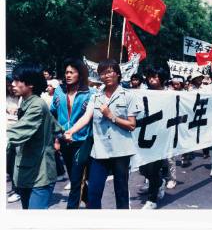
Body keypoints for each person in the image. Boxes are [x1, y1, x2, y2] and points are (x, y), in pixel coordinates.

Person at [64, 60, 141, 209]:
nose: (106, 75)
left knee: (121, 192)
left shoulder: (128, 96)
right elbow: (86, 118)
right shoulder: (96, 96)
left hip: (121, 151)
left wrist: (111, 116)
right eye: (102, 73)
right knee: (93, 193)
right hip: (99, 151)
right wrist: (71, 130)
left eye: (109, 72)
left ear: (118, 74)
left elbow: (132, 125)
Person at [7, 63, 63, 209]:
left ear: (30, 84)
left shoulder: (37, 105)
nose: (12, 84)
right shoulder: (27, 103)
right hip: (27, 173)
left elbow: (20, 131)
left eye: (17, 80)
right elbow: (55, 125)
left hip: (40, 175)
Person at [50, 58, 94, 209]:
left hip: (82, 141)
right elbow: (53, 115)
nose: (68, 75)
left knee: (75, 181)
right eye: (66, 72)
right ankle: (91, 203)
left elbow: (91, 119)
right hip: (64, 140)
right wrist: (56, 138)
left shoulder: (90, 93)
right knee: (75, 177)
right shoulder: (59, 91)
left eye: (72, 72)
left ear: (80, 74)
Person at [140, 67, 168, 209]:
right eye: (150, 77)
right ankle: (159, 182)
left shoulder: (169, 94)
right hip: (145, 135)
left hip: (162, 136)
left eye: (155, 77)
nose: (152, 79)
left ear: (162, 78)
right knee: (143, 169)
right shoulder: (144, 93)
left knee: (153, 168)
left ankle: (152, 200)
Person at [188, 71, 210, 158]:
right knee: (192, 131)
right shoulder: (190, 89)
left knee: (204, 132)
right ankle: (190, 150)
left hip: (204, 111)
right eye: (197, 78)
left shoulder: (206, 88)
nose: (199, 79)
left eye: (200, 77)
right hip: (193, 112)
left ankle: (206, 151)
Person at [6, 76, 21, 203]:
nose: (11, 88)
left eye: (12, 85)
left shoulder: (22, 99)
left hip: (17, 135)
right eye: (8, 86)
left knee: (14, 163)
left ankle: (17, 190)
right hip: (7, 134)